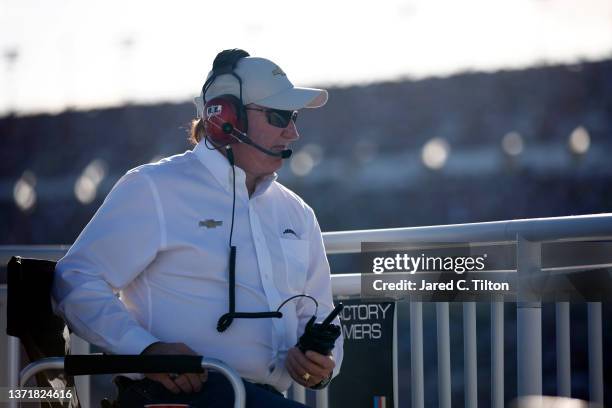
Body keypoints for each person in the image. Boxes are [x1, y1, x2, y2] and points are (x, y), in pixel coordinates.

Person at [52, 48, 343, 407]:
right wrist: (146, 350)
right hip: (181, 396)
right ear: (226, 120)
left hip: (257, 399)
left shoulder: (297, 212)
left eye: (294, 116)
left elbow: (319, 311)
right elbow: (76, 278)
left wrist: (322, 364)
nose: (293, 132)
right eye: (279, 115)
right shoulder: (153, 187)